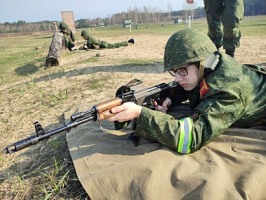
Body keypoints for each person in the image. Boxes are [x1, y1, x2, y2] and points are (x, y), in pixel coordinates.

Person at [107, 28, 266, 154]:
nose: (176, 78)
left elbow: (189, 138)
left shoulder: (228, 91)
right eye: (174, 71)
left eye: (182, 70)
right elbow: (197, 85)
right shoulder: (213, 63)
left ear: (202, 64)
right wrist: (171, 98)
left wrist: (142, 115)